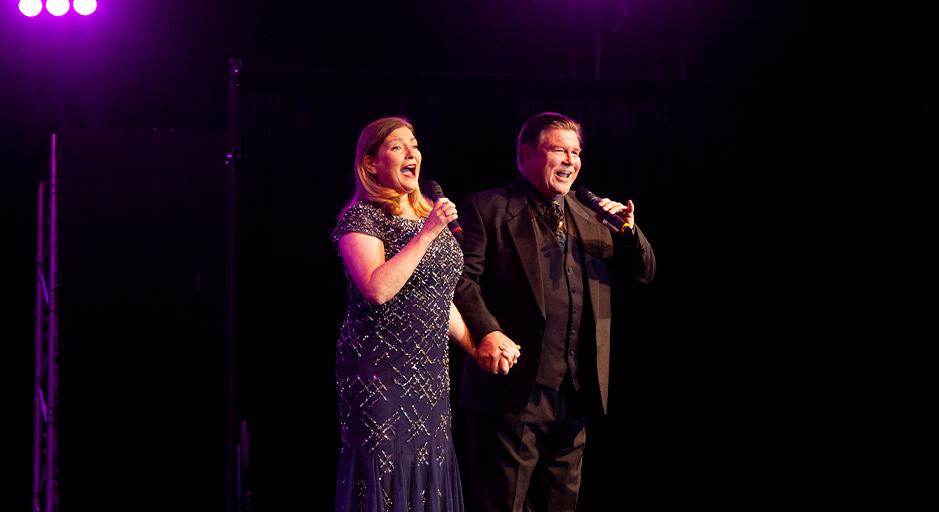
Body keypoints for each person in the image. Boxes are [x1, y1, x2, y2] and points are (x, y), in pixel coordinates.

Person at [453, 112, 656, 511]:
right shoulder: (488, 207)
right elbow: (462, 281)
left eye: (576, 152)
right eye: (558, 150)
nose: (570, 160)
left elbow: (644, 273)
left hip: (576, 393)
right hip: (512, 390)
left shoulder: (592, 213)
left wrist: (629, 233)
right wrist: (487, 331)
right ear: (525, 154)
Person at [330, 116, 520, 512]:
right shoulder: (362, 217)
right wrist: (428, 233)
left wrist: (479, 346)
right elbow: (378, 288)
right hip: (379, 372)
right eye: (398, 146)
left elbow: (438, 298)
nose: (412, 152)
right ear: (370, 163)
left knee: (427, 474)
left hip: (429, 374)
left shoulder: (424, 217)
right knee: (385, 477)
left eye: (414, 144)